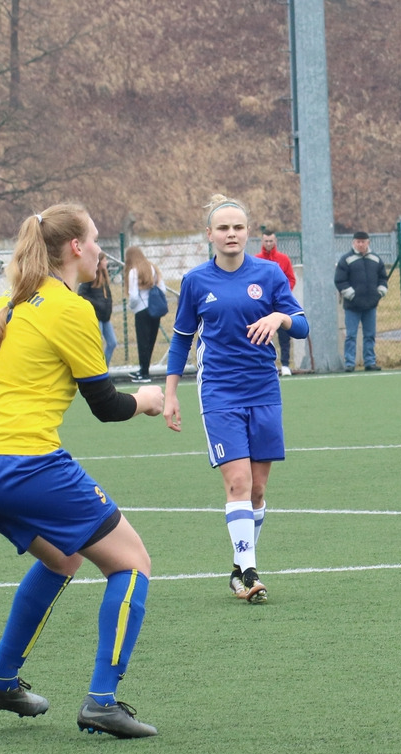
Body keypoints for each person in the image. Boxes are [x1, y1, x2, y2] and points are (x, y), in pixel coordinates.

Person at [0, 204, 166, 738]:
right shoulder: (70, 309)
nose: (100, 250)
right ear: (76, 248)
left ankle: (1, 681)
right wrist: (148, 401)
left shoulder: (4, 305)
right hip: (23, 466)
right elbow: (106, 405)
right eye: (94, 239)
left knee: (63, 558)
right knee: (132, 563)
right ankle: (102, 702)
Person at [163, 195, 309, 604]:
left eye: (238, 227)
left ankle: (238, 568)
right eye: (223, 228)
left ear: (248, 232)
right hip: (219, 392)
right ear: (209, 234)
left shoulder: (270, 273)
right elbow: (181, 340)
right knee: (238, 482)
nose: (231, 234)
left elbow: (301, 325)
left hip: (263, 389)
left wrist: (280, 317)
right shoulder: (196, 281)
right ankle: (249, 572)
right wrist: (171, 393)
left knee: (257, 490)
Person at [334, 231, 387, 371]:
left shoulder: (376, 259)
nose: (360, 244)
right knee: (351, 335)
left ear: (368, 242)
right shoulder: (346, 259)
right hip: (352, 306)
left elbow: (383, 278)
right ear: (353, 243)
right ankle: (349, 363)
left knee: (370, 335)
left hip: (370, 305)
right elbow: (340, 281)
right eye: (358, 242)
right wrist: (352, 296)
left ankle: (370, 362)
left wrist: (379, 293)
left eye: (363, 242)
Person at [257, 230, 298, 376]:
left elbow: (291, 279)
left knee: (284, 335)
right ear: (262, 242)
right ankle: (264, 364)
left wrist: (282, 295)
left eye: (271, 241)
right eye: (266, 241)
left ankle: (285, 364)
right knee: (262, 334)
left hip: (280, 305)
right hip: (262, 305)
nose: (268, 244)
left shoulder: (283, 259)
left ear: (275, 242)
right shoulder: (257, 260)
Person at [125, 245, 166, 384]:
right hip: (155, 309)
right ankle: (144, 370)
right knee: (150, 341)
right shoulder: (152, 268)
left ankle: (144, 373)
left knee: (142, 342)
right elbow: (162, 289)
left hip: (141, 310)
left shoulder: (133, 272)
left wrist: (131, 306)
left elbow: (134, 296)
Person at [78, 251, 118, 364]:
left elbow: (107, 296)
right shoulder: (90, 277)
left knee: (112, 342)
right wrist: (98, 305)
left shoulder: (104, 276)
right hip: (97, 316)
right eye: (104, 260)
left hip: (105, 317)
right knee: (97, 344)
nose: (106, 262)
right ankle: (98, 368)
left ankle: (105, 366)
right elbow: (81, 294)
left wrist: (108, 308)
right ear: (99, 262)